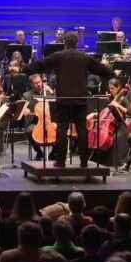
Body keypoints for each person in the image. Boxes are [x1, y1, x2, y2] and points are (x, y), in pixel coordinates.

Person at [24, 32, 113, 168]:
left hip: (64, 99)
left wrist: (25, 68)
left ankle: (60, 161)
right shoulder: (84, 57)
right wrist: (112, 72)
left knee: (62, 130)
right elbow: (100, 69)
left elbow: (41, 65)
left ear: (64, 43)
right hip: (80, 100)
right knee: (82, 130)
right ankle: (84, 161)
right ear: (76, 43)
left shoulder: (58, 56)